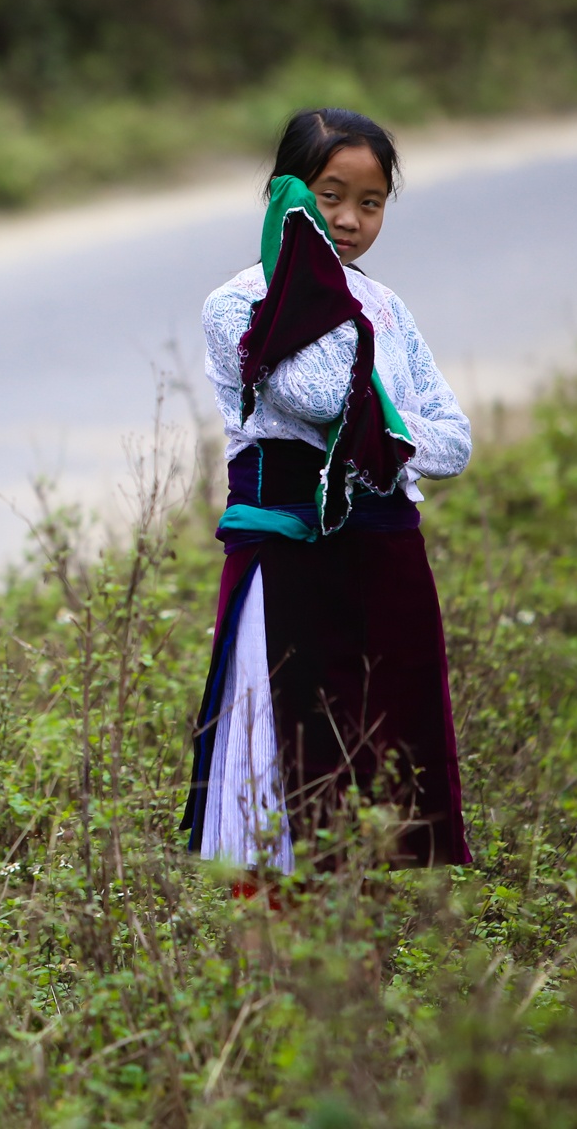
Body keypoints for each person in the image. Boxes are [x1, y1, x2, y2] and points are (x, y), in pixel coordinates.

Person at [184, 108, 472, 876]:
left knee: (381, 773)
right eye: (330, 194)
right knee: (280, 784)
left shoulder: (388, 306)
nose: (348, 220)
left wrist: (383, 424)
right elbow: (319, 395)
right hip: (290, 563)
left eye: (370, 202)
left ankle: (352, 979)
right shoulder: (240, 306)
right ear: (287, 192)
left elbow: (455, 442)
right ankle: (271, 979)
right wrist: (386, 423)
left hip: (385, 558)